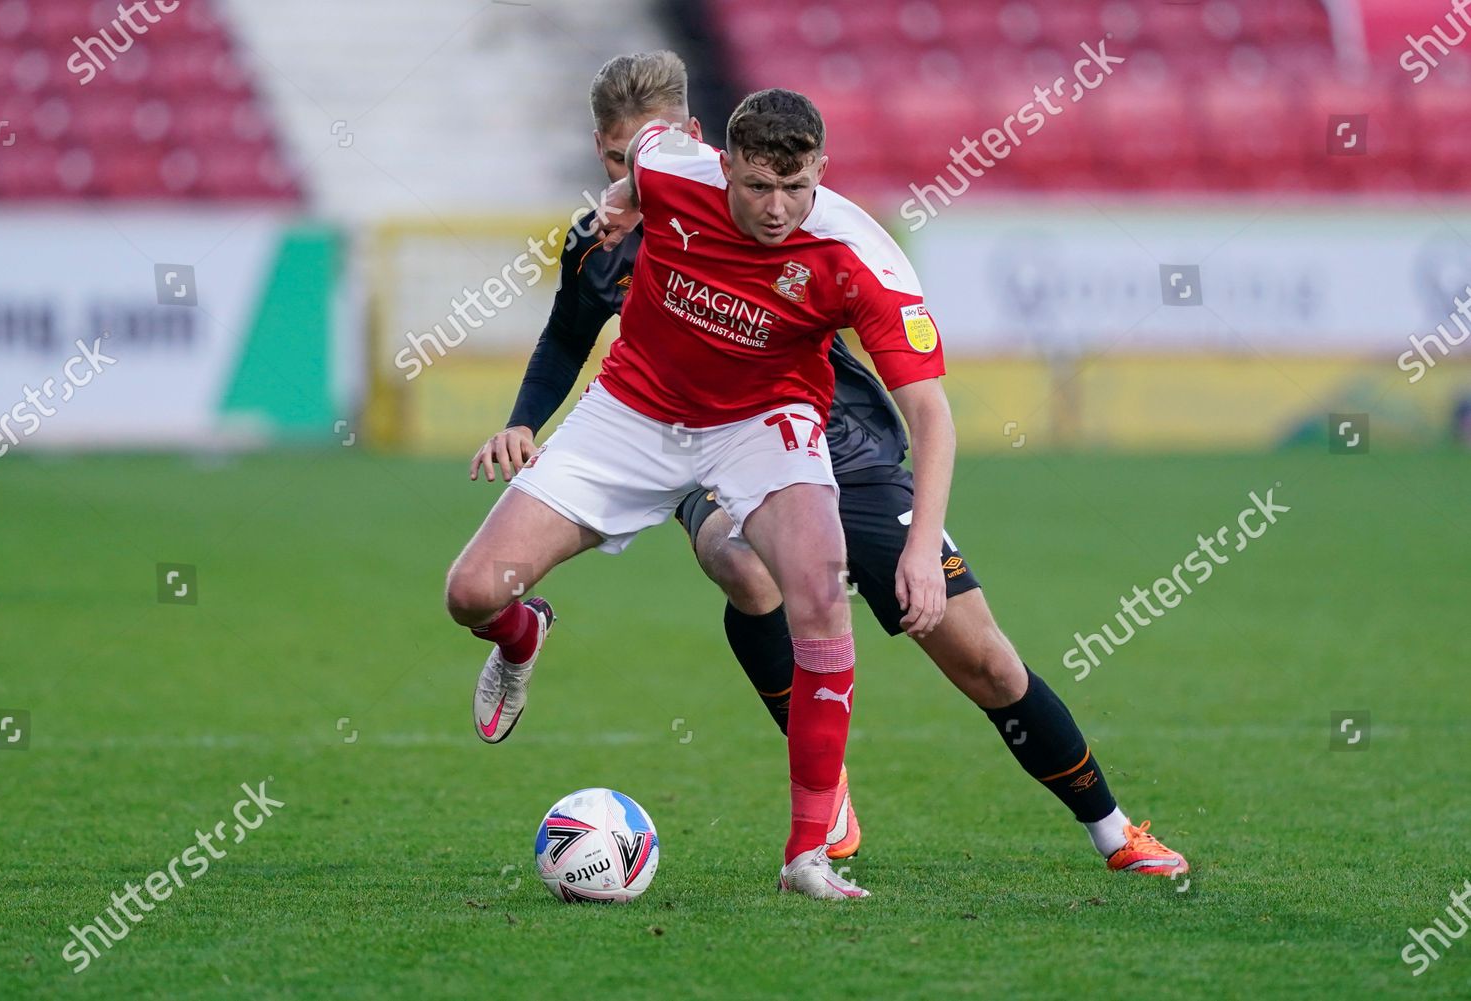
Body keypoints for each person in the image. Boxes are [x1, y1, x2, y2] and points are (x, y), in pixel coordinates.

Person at [474, 51, 1189, 882]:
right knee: (745, 567)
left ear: (695, 144)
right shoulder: (611, 234)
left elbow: (930, 408)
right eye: (611, 159)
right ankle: (822, 790)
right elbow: (569, 331)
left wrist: (921, 546)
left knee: (984, 657)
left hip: (836, 440)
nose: (622, 173)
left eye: (633, 159)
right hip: (698, 440)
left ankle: (1112, 827)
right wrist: (525, 419)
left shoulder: (793, 227)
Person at [450, 78, 959, 898]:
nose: (776, 208)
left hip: (764, 422)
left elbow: (932, 414)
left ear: (822, 170)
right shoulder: (669, 165)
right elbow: (638, 167)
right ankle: (521, 635)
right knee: (470, 591)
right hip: (631, 411)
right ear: (725, 168)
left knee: (820, 595)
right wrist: (620, 204)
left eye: (797, 187)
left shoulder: (856, 253)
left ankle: (807, 855)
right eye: (757, 186)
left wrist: (924, 550)